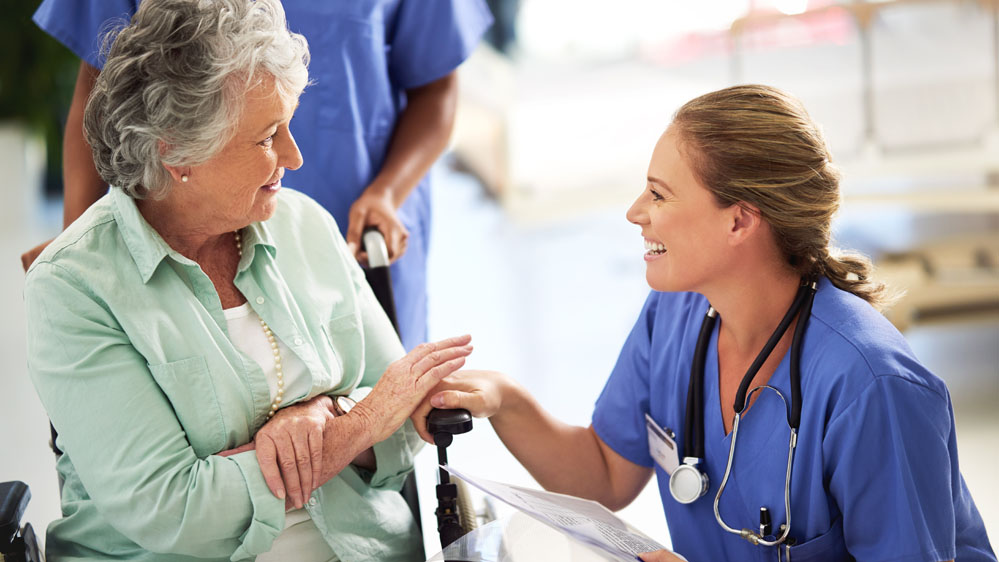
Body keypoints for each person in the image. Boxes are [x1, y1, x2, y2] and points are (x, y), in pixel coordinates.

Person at [414, 85, 996, 561]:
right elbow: (605, 476)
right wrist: (505, 400)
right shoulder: (676, 315)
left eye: (659, 195)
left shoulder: (873, 387)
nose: (634, 213)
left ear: (740, 222)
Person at [24, 1, 474, 560]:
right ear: (177, 152)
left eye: (289, 125)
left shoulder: (305, 224)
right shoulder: (73, 286)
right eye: (267, 137)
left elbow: (406, 418)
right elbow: (172, 509)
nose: (295, 155)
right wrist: (355, 426)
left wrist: (323, 416)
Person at [26, 0, 494, 352]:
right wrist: (79, 253)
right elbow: (102, 89)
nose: (293, 157)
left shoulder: (311, 225)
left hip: (357, 232)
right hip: (183, 238)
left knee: (383, 410)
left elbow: (437, 87)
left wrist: (388, 193)